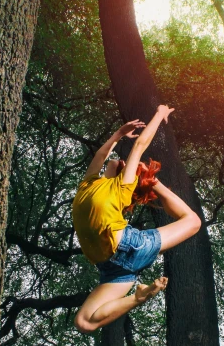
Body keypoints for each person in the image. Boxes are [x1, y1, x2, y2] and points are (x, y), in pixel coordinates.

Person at [72, 105, 201, 333]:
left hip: (129, 247)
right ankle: (139, 297)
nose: (118, 160)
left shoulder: (122, 186)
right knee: (84, 323)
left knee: (193, 221)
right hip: (114, 268)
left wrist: (160, 113)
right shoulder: (88, 183)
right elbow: (103, 155)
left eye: (124, 165)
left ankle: (155, 184)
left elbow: (140, 145)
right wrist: (118, 134)